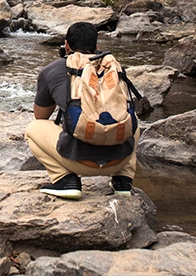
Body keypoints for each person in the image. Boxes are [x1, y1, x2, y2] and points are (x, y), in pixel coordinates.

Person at [24, 21, 138, 200]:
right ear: (96, 46)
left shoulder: (52, 70)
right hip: (119, 160)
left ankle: (65, 181)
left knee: (33, 128)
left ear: (67, 45)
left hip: (78, 162)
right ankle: (123, 181)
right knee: (131, 118)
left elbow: (41, 116)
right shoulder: (113, 69)